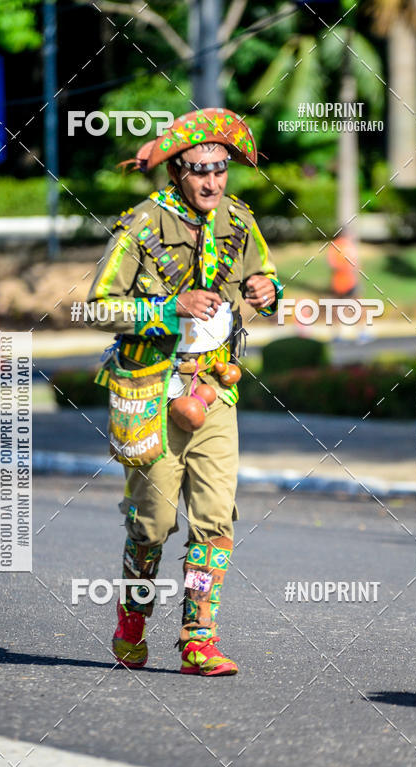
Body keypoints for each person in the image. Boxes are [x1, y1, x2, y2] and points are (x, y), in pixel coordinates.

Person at [84, 108, 282, 676]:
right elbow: (99, 306)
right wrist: (169, 308)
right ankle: (131, 620)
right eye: (199, 171)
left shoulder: (239, 222)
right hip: (151, 393)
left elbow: (261, 280)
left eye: (220, 170)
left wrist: (270, 289)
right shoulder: (142, 227)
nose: (212, 183)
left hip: (217, 389)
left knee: (216, 522)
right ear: (177, 173)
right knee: (152, 525)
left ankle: (199, 638)